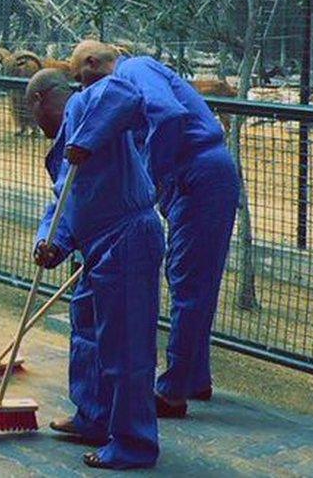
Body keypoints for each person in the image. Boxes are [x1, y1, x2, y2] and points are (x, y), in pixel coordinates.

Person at [71, 40, 241, 418]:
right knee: (188, 279)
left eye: (83, 80)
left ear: (94, 62)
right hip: (193, 176)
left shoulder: (132, 71)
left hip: (200, 173)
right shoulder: (126, 84)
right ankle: (194, 377)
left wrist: (151, 182)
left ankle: (173, 391)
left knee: (190, 283)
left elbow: (167, 117)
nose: (85, 90)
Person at [27, 68, 165, 469]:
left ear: (40, 99)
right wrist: (49, 242)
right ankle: (93, 415)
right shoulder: (60, 152)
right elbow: (62, 204)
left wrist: (87, 138)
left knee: (127, 344)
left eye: (31, 112)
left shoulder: (87, 104)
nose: (36, 127)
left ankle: (133, 443)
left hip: (127, 236)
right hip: (95, 245)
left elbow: (125, 91)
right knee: (86, 330)